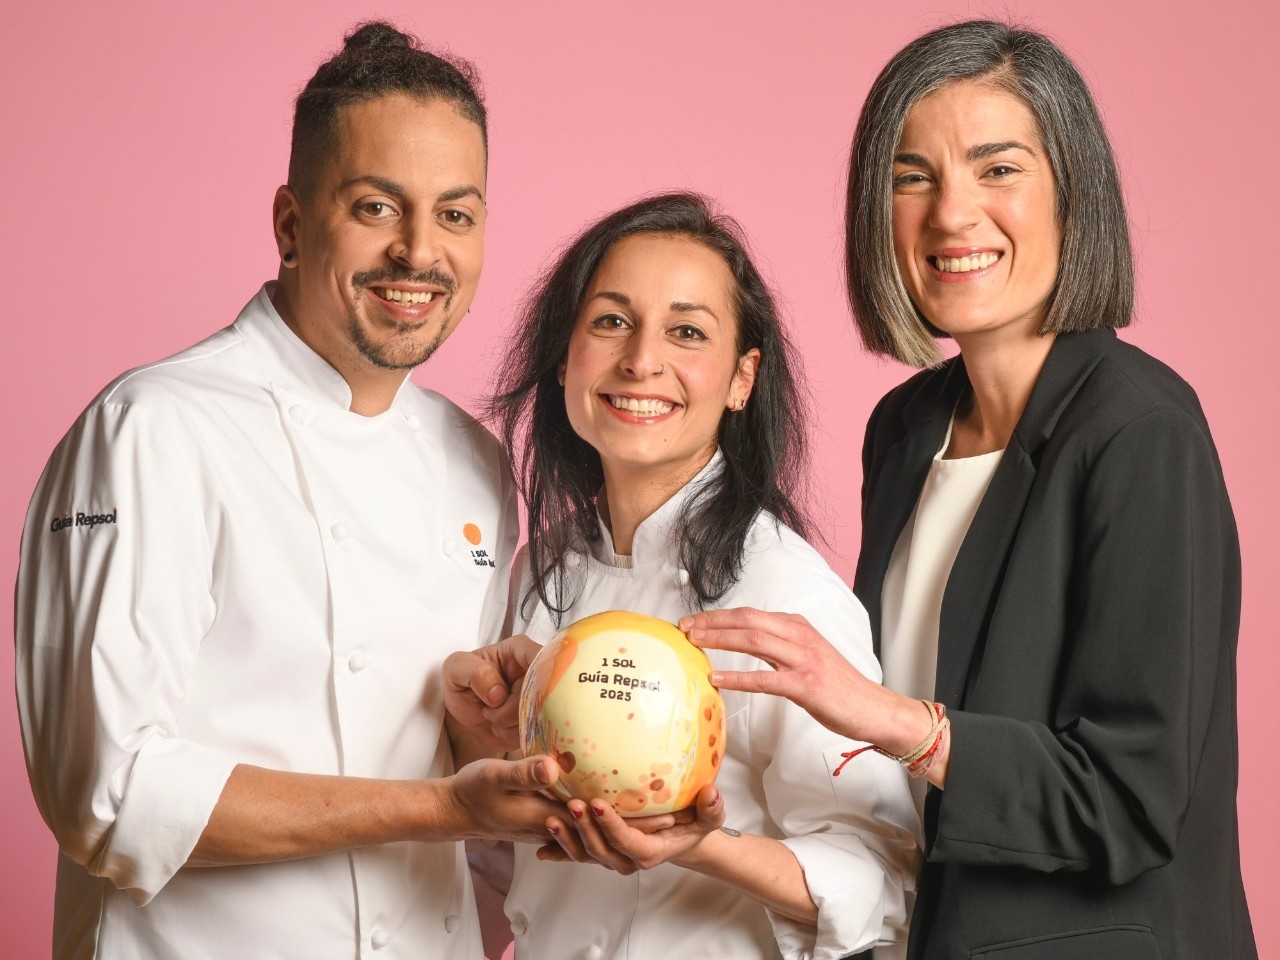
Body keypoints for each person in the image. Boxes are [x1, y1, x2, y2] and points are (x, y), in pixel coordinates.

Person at [681, 20, 1257, 960]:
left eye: (998, 169)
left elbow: (1131, 799)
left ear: (1073, 193)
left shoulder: (1142, 432)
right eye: (913, 177)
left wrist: (890, 720)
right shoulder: (906, 428)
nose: (952, 214)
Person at [14, 22, 574, 960]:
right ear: (289, 224)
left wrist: (477, 738)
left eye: (456, 215)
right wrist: (441, 805)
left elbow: (449, 793)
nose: (419, 252)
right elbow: (108, 792)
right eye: (376, 207)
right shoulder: (153, 428)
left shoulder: (474, 459)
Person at [451, 192, 919, 960]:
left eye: (687, 331)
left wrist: (697, 845)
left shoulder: (785, 592)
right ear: (565, 357)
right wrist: (481, 733)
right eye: (611, 321)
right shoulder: (539, 569)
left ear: (742, 378)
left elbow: (881, 878)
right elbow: (507, 870)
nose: (642, 360)